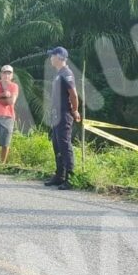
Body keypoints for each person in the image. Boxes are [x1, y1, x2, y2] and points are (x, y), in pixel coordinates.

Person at [45, 47, 81, 190]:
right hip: (56, 114)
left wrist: (75, 110)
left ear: (59, 57)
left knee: (65, 145)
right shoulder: (58, 73)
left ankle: (70, 178)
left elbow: (73, 94)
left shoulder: (67, 73)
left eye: (52, 56)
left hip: (64, 114)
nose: (50, 58)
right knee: (57, 144)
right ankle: (60, 175)